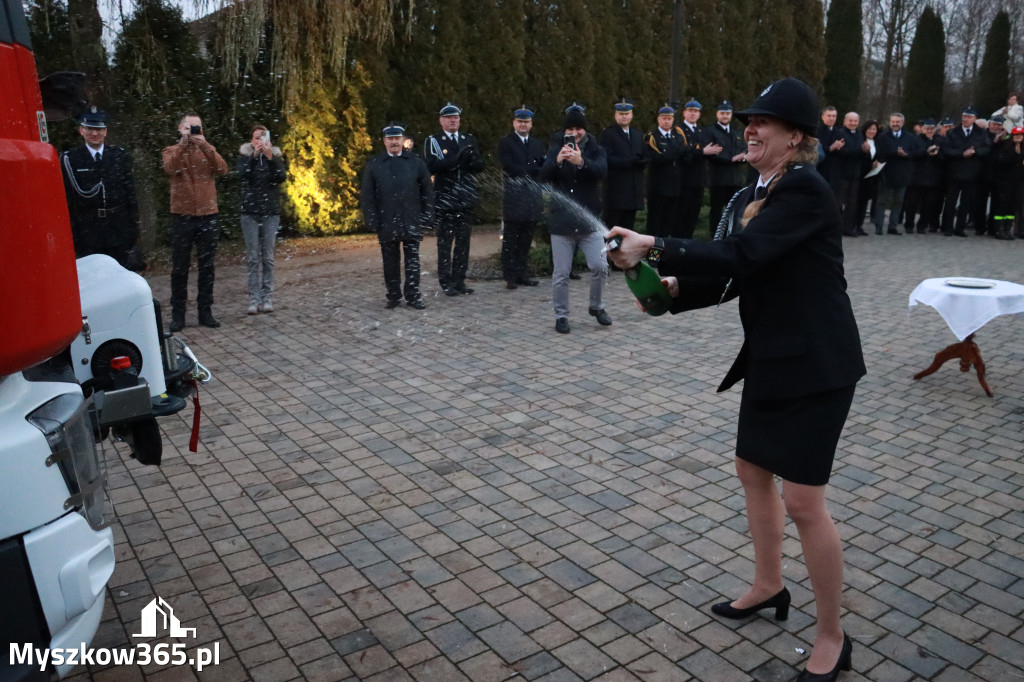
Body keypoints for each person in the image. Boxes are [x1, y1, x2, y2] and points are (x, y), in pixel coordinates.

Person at [607, 77, 864, 682]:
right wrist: (675, 291)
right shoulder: (761, 190)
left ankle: (832, 635)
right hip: (774, 359)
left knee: (804, 501)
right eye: (749, 119)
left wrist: (655, 245)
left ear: (795, 137)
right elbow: (740, 272)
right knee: (752, 471)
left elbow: (742, 256)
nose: (749, 128)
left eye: (763, 122)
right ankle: (769, 586)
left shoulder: (805, 190)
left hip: (819, 366)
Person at [539, 106, 610, 334]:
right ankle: (561, 316)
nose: (575, 132)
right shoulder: (555, 148)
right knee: (561, 273)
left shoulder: (596, 148)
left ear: (585, 130)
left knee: (600, 266)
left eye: (578, 128)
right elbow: (543, 176)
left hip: (589, 222)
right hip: (561, 223)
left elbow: (602, 171)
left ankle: (596, 307)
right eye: (570, 128)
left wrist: (581, 162)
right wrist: (557, 161)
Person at [162, 112, 228, 331]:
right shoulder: (171, 150)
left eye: (197, 127)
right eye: (190, 128)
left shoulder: (208, 150)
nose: (194, 132)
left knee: (207, 267)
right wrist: (183, 144)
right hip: (182, 216)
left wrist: (206, 145)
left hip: (208, 215)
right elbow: (170, 168)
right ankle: (178, 314)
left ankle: (205, 312)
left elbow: (222, 169)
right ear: (181, 128)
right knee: (180, 268)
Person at [361, 123, 433, 309]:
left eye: (397, 138)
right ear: (385, 141)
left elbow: (427, 191)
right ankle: (393, 295)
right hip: (386, 220)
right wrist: (372, 218)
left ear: (403, 140)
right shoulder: (375, 164)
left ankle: (413, 295)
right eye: (390, 139)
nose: (394, 142)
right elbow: (368, 195)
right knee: (390, 261)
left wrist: (427, 215)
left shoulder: (415, 162)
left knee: (412, 261)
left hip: (411, 218)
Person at [60, 107, 143, 270]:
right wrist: (74, 235)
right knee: (94, 276)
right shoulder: (71, 159)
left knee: (121, 274)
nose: (94, 133)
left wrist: (133, 229)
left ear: (105, 131)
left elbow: (130, 195)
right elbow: (69, 200)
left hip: (118, 227)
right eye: (90, 128)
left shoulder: (119, 156)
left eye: (98, 129)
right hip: (88, 230)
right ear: (81, 130)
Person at [424, 102, 484, 296]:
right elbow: (432, 166)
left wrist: (473, 161)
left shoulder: (468, 138)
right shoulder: (434, 140)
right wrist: (456, 160)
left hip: (465, 198)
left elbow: (479, 164)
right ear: (442, 120)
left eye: (456, 118)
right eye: (449, 118)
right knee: (445, 242)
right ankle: (446, 281)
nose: (453, 120)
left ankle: (459, 280)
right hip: (446, 199)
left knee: (463, 243)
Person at [237, 124, 287, 314]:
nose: (260, 141)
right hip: (250, 212)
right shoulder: (244, 157)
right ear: (252, 140)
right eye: (256, 137)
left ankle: (266, 297)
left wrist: (270, 159)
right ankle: (253, 299)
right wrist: (253, 157)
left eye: (263, 137)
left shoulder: (275, 157)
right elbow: (242, 175)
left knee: (268, 257)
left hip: (270, 213)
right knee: (252, 257)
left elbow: (281, 177)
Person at [497, 106, 546, 289]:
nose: (523, 125)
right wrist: (532, 171)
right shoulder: (506, 143)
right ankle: (510, 275)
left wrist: (536, 171)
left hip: (532, 197)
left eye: (526, 122)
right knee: (511, 238)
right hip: (515, 198)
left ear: (531, 124)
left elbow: (543, 166)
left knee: (526, 238)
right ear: (514, 123)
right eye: (520, 121)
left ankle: (522, 272)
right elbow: (509, 167)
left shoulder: (536, 143)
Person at [941, 106, 990, 237]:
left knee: (966, 202)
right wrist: (962, 153)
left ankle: (960, 228)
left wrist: (975, 152)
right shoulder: (953, 132)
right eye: (964, 116)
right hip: (954, 170)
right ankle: (948, 227)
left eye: (969, 117)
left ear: (975, 119)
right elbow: (946, 150)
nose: (966, 119)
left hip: (972, 171)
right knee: (951, 201)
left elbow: (986, 148)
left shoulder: (981, 132)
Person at [599, 98, 646, 230]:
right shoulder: (608, 134)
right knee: (611, 228)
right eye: (621, 114)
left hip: (633, 192)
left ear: (631, 115)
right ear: (616, 115)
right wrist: (629, 162)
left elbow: (642, 153)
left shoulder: (637, 134)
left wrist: (643, 161)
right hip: (616, 193)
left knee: (628, 229)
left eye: (627, 113)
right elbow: (607, 158)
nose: (624, 117)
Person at [703, 100, 748, 233]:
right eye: (722, 113)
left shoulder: (737, 132)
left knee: (735, 209)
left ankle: (731, 233)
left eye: (728, 113)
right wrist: (731, 159)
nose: (725, 116)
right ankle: (715, 235)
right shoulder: (710, 131)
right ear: (717, 114)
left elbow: (743, 150)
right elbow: (712, 154)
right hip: (719, 178)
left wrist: (743, 158)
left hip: (735, 179)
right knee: (717, 209)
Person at [873, 113, 920, 235]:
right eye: (893, 121)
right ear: (890, 122)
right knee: (882, 201)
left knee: (898, 201)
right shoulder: (882, 137)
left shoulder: (910, 137)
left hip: (903, 174)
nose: (895, 124)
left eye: (898, 122)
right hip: (886, 173)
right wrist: (895, 153)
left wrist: (906, 155)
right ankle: (879, 226)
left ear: (902, 123)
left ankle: (892, 226)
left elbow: (915, 153)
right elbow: (879, 153)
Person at [644, 104, 685, 238]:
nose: (667, 121)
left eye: (669, 118)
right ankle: (653, 256)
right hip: (658, 188)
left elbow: (684, 154)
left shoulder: (677, 136)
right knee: (655, 224)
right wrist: (677, 152)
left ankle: (664, 254)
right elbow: (657, 158)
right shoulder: (652, 137)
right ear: (658, 120)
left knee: (668, 223)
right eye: (664, 118)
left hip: (674, 187)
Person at [678, 99, 715, 238]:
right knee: (682, 214)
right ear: (684, 113)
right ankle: (679, 242)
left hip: (699, 180)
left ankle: (688, 242)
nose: (693, 114)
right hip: (685, 179)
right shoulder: (679, 130)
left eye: (696, 111)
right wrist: (701, 152)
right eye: (690, 111)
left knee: (693, 215)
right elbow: (683, 153)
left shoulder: (702, 131)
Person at [903, 118, 944, 234]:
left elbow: (944, 157)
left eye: (932, 129)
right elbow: (910, 154)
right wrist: (926, 151)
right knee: (912, 203)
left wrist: (937, 154)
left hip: (932, 177)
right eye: (927, 128)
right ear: (922, 129)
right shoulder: (915, 139)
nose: (929, 131)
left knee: (928, 204)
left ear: (935, 129)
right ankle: (909, 224)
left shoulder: (939, 140)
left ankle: (922, 225)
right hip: (916, 176)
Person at [835, 112, 867, 236]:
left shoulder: (860, 135)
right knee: (839, 203)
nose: (853, 123)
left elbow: (862, 154)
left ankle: (848, 228)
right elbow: (842, 152)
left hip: (855, 174)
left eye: (855, 121)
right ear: (845, 121)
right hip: (842, 173)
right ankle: (836, 227)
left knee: (852, 203)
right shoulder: (840, 133)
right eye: (850, 120)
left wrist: (865, 151)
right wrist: (860, 151)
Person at [989, 125, 1022, 240]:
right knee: (1002, 205)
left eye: (1021, 135)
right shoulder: (1005, 148)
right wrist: (1015, 154)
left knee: (1013, 206)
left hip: (1018, 183)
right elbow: (1001, 162)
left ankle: (1008, 228)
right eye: (1016, 135)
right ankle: (999, 229)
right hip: (1004, 181)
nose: (1018, 137)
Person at [855, 119, 880, 229]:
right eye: (870, 128)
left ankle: (860, 225)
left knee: (865, 202)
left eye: (874, 129)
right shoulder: (860, 140)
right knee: (856, 202)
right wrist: (870, 165)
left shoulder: (877, 142)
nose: (872, 131)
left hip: (871, 177)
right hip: (860, 175)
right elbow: (860, 159)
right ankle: (853, 225)